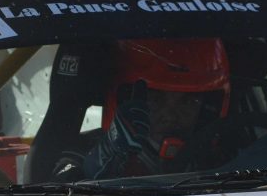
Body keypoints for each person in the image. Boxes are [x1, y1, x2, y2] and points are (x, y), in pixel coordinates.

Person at [52, 38, 231, 181]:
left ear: (207, 106)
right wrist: (103, 156)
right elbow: (57, 189)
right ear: (125, 99)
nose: (170, 114)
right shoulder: (87, 149)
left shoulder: (225, 157)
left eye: (188, 101)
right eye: (156, 98)